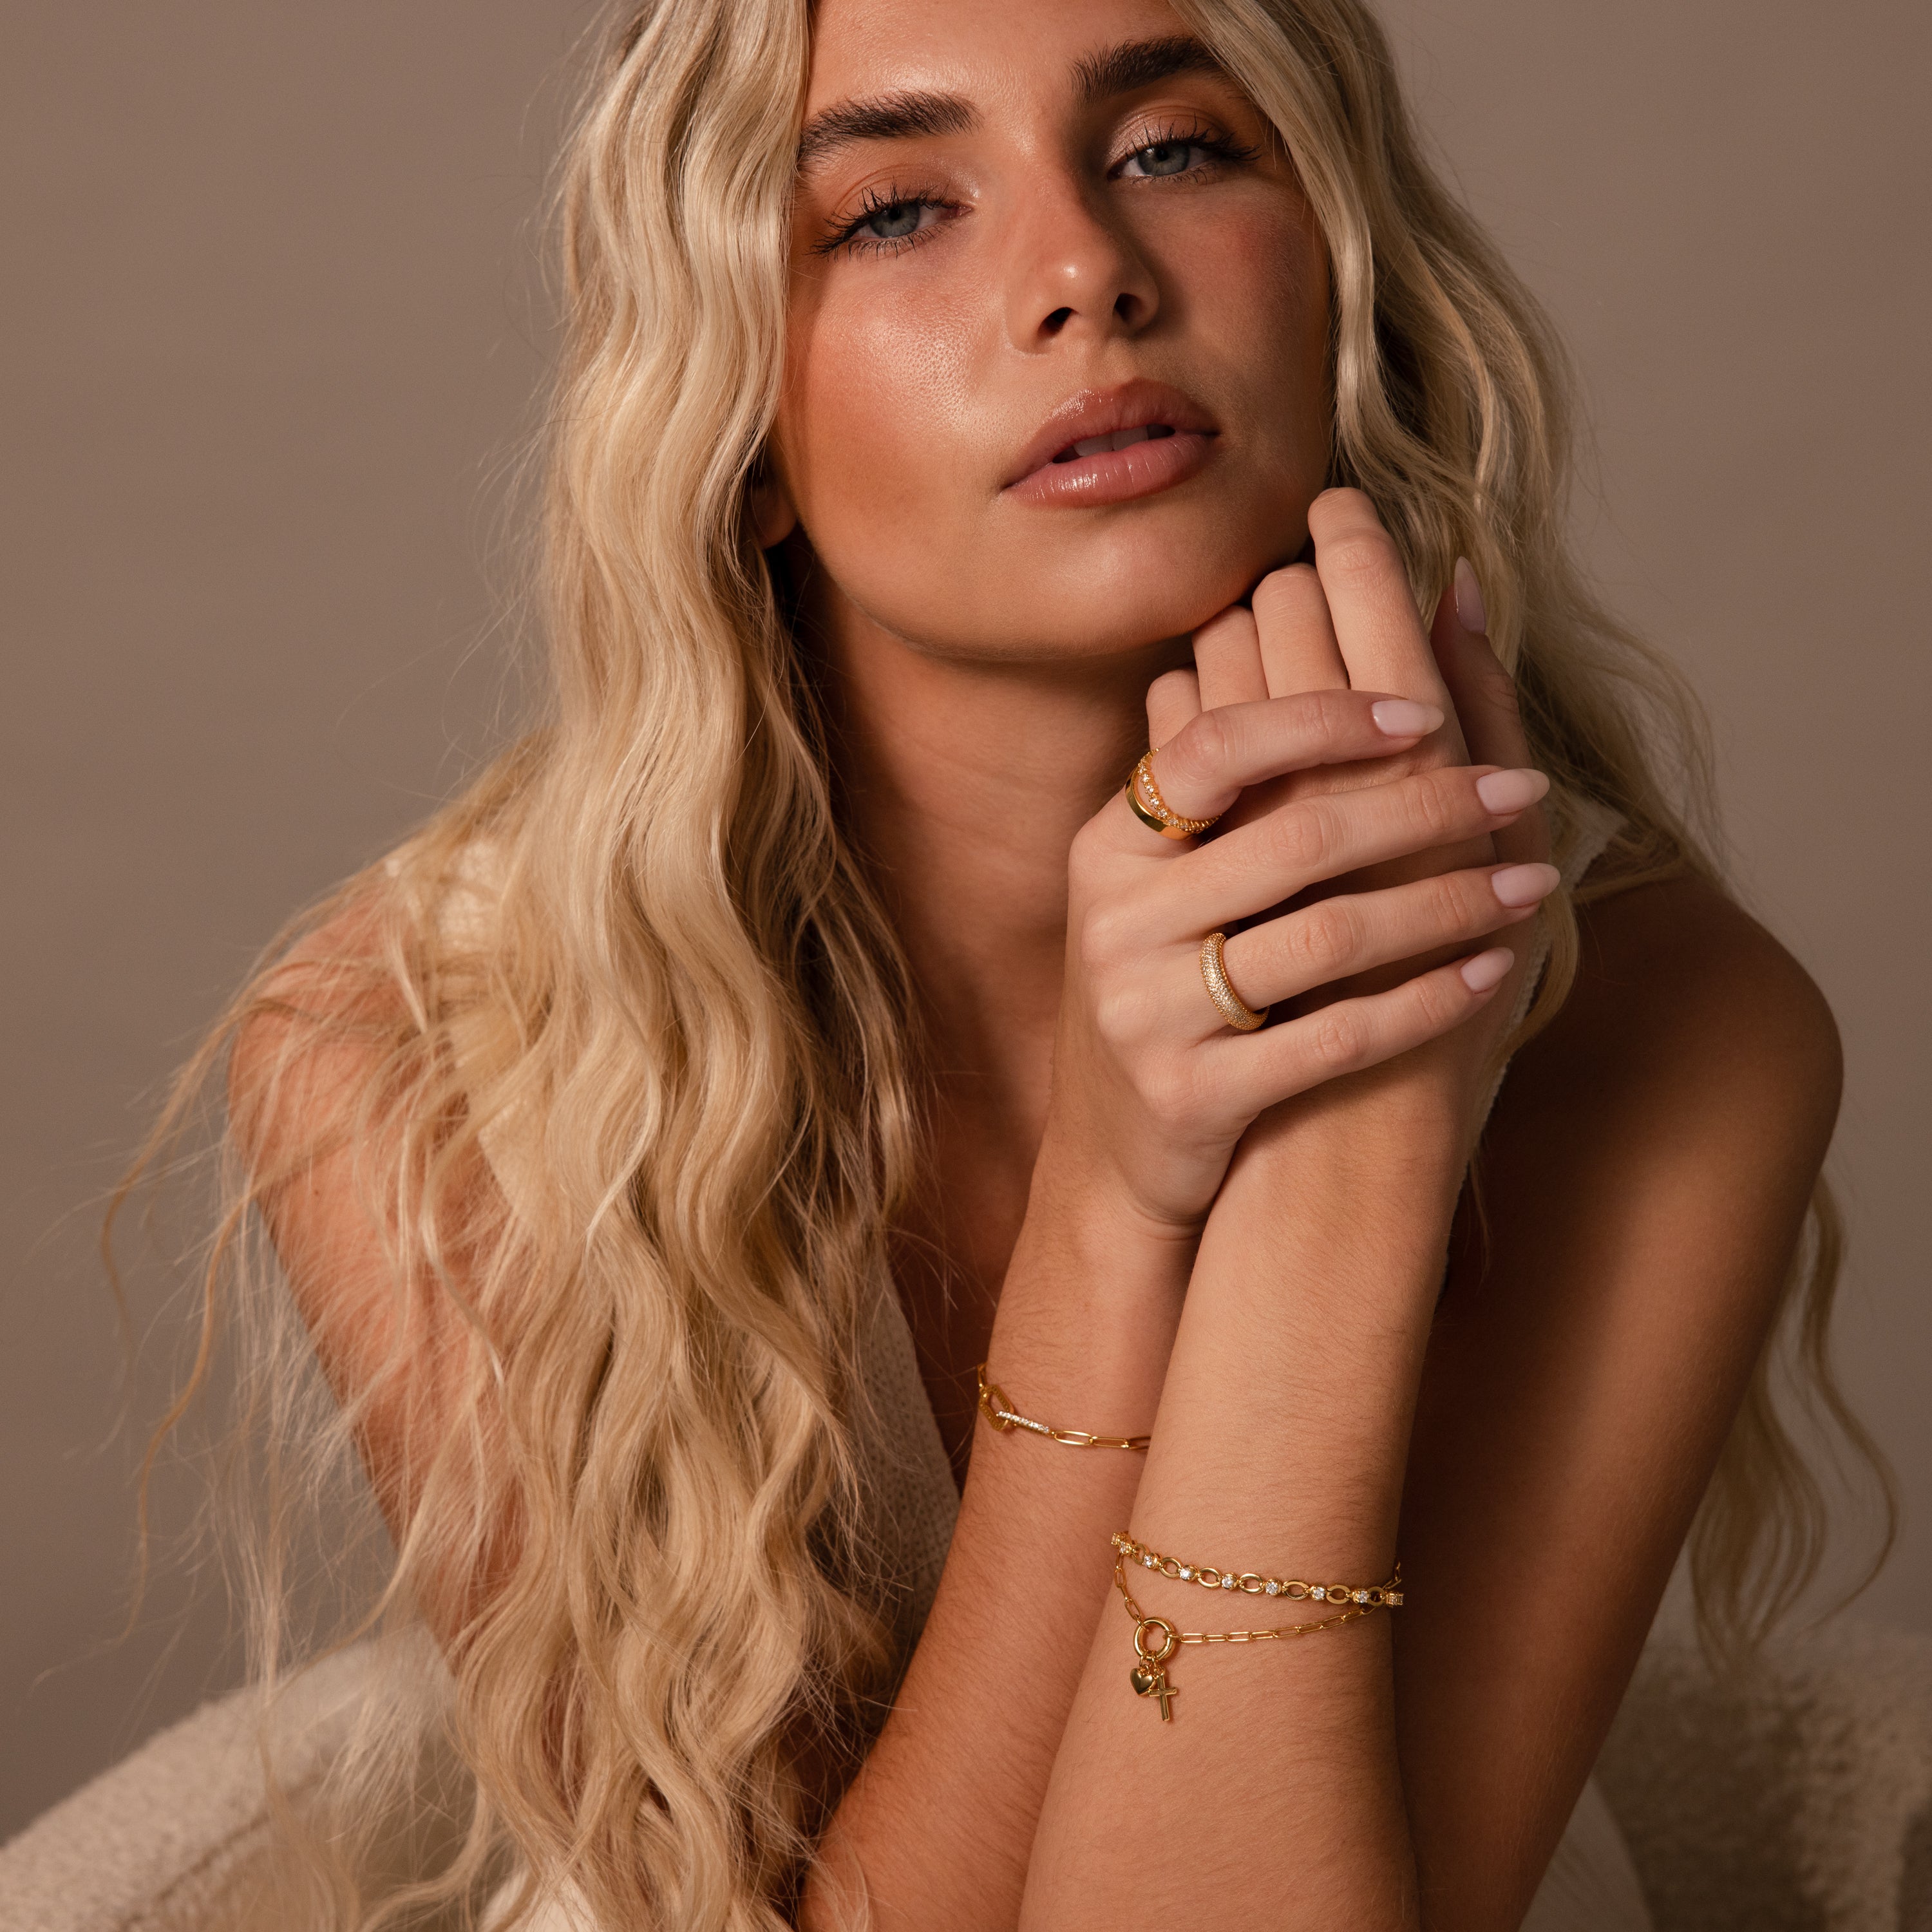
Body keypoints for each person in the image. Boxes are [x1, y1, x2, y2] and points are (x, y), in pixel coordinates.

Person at [135, 0, 1887, 1926]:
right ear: (743, 425)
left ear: (1342, 282)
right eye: (893, 211)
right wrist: (1113, 1215)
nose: (1086, 275)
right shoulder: (421, 1054)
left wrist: (1352, 1152)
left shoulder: (1660, 1032)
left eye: (1173, 150)